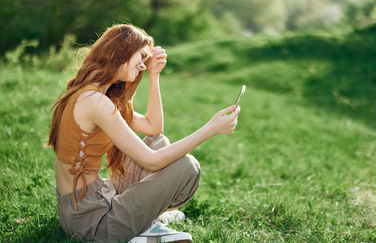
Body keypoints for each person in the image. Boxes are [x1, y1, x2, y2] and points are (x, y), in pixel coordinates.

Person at [47, 24, 240, 242]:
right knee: (187, 166)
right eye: (141, 57)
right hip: (92, 222)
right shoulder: (95, 102)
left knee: (158, 141)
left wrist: (154, 76)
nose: (142, 65)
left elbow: (153, 127)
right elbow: (152, 162)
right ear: (120, 52)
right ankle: (144, 230)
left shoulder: (96, 94)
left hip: (93, 202)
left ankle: (144, 222)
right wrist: (211, 129)